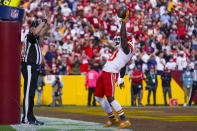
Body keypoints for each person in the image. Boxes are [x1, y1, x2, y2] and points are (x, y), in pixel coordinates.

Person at [94, 8, 132, 129]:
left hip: (111, 71)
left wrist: (123, 23)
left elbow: (124, 40)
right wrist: (121, 78)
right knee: (98, 96)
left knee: (110, 97)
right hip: (106, 70)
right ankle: (112, 118)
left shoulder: (129, 48)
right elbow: (123, 65)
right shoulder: (122, 49)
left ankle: (124, 120)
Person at [21, 12, 50, 125]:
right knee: (29, 93)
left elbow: (42, 31)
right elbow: (38, 31)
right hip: (29, 66)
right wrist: (43, 21)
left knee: (31, 93)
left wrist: (47, 22)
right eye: (35, 27)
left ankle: (31, 117)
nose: (37, 29)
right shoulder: (29, 36)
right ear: (32, 28)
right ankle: (26, 118)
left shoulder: (35, 39)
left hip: (34, 68)